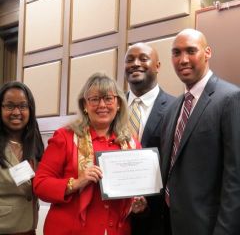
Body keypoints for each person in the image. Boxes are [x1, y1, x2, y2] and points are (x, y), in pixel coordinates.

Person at [33, 73, 146, 235]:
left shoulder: (131, 142)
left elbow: (136, 187)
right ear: (85, 105)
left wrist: (136, 203)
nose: (102, 105)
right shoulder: (65, 137)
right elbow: (40, 185)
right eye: (94, 99)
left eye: (108, 98)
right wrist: (77, 182)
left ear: (119, 104)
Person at [160, 28, 240, 235]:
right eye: (176, 53)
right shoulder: (173, 108)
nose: (183, 59)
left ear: (207, 53)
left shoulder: (230, 99)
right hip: (171, 224)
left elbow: (236, 177)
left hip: (209, 227)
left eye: (191, 51)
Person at [124, 42, 175, 235]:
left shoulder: (175, 107)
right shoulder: (111, 107)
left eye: (143, 59)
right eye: (130, 60)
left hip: (157, 218)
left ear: (158, 66)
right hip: (113, 215)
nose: (135, 64)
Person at [0, 81, 44, 234]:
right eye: (10, 106)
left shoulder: (35, 143)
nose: (17, 112)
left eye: (23, 106)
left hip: (29, 229)